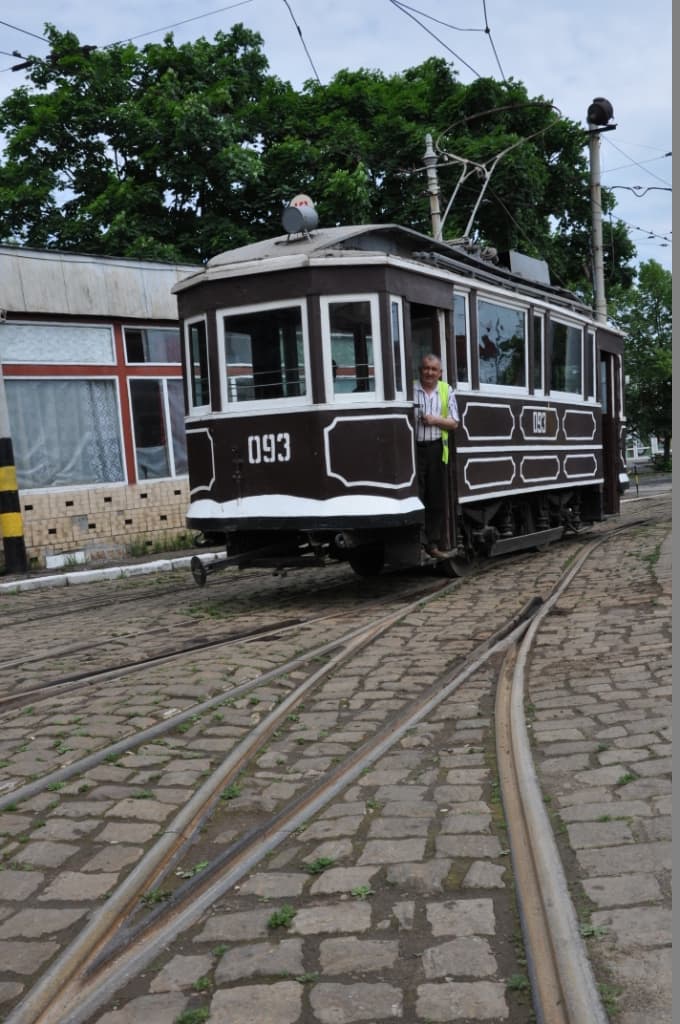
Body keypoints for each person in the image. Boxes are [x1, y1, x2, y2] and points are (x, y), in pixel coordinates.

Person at [414, 353, 460, 559]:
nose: (429, 372)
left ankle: (431, 544)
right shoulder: (411, 389)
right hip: (414, 448)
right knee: (417, 497)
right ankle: (418, 542)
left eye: (433, 369)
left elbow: (454, 423)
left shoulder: (445, 390)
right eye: (426, 368)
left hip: (435, 450)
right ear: (420, 370)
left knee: (435, 498)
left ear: (440, 373)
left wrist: (434, 420)